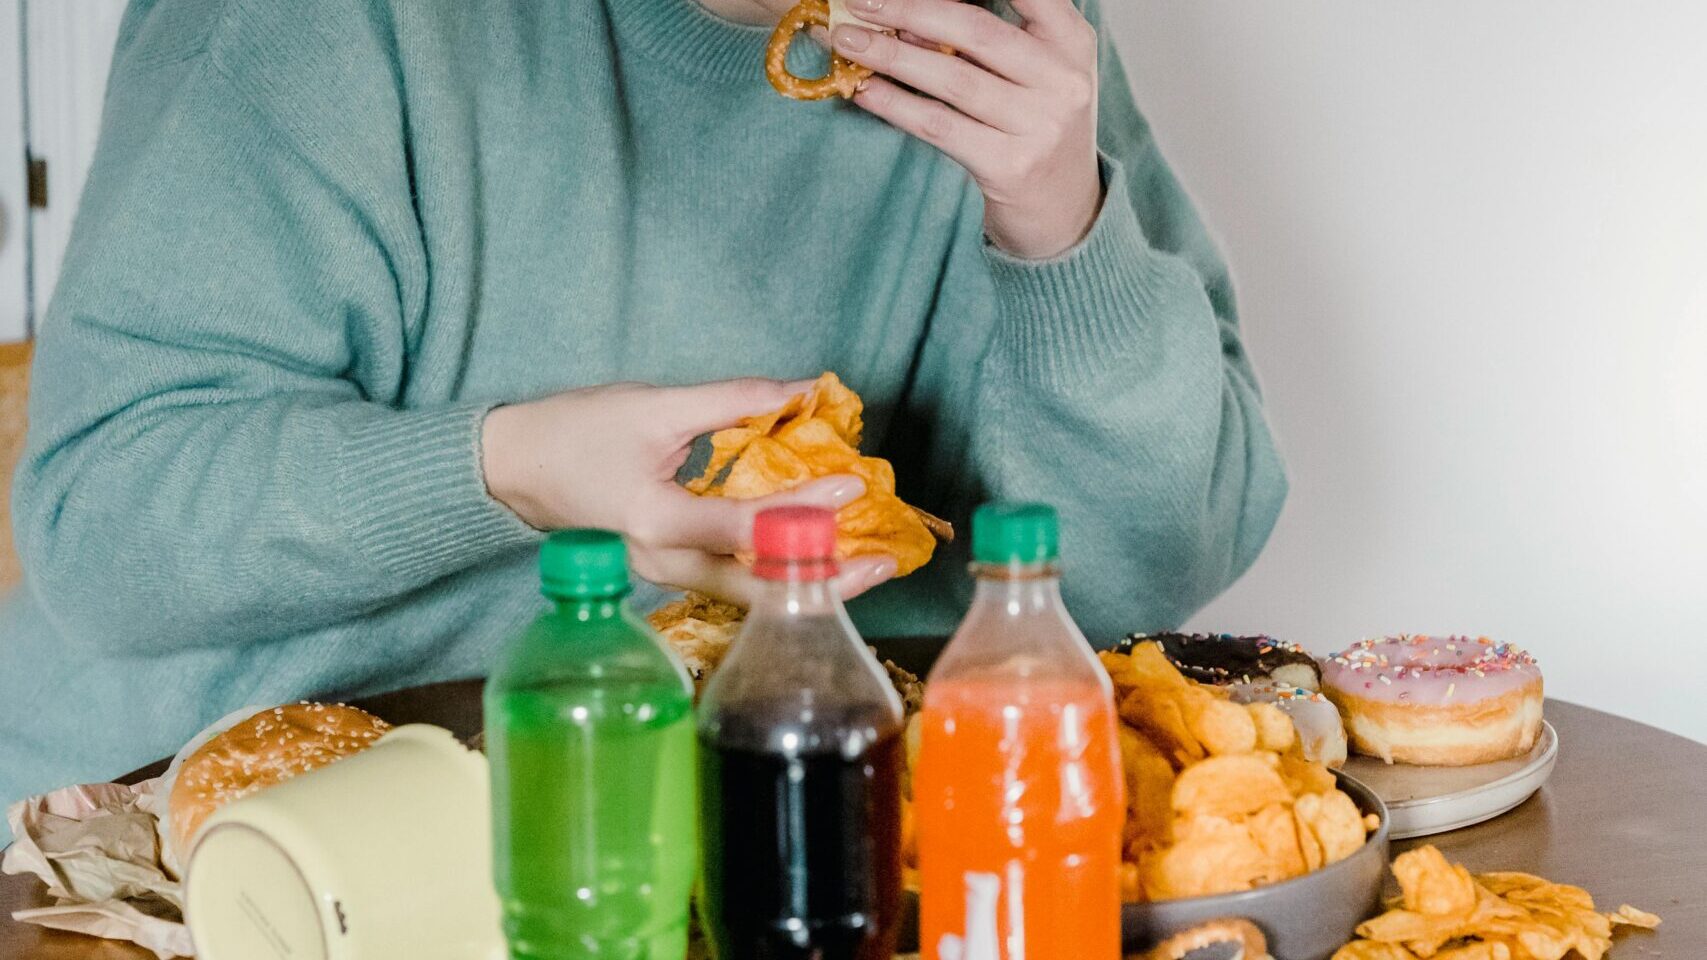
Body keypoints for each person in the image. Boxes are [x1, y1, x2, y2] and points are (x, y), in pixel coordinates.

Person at [0, 0, 1286, 819]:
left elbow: (1145, 573)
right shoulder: (324, 28)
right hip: (173, 844)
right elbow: (103, 522)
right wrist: (516, 470)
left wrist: (1063, 228)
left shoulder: (1009, 45)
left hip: (733, 836)